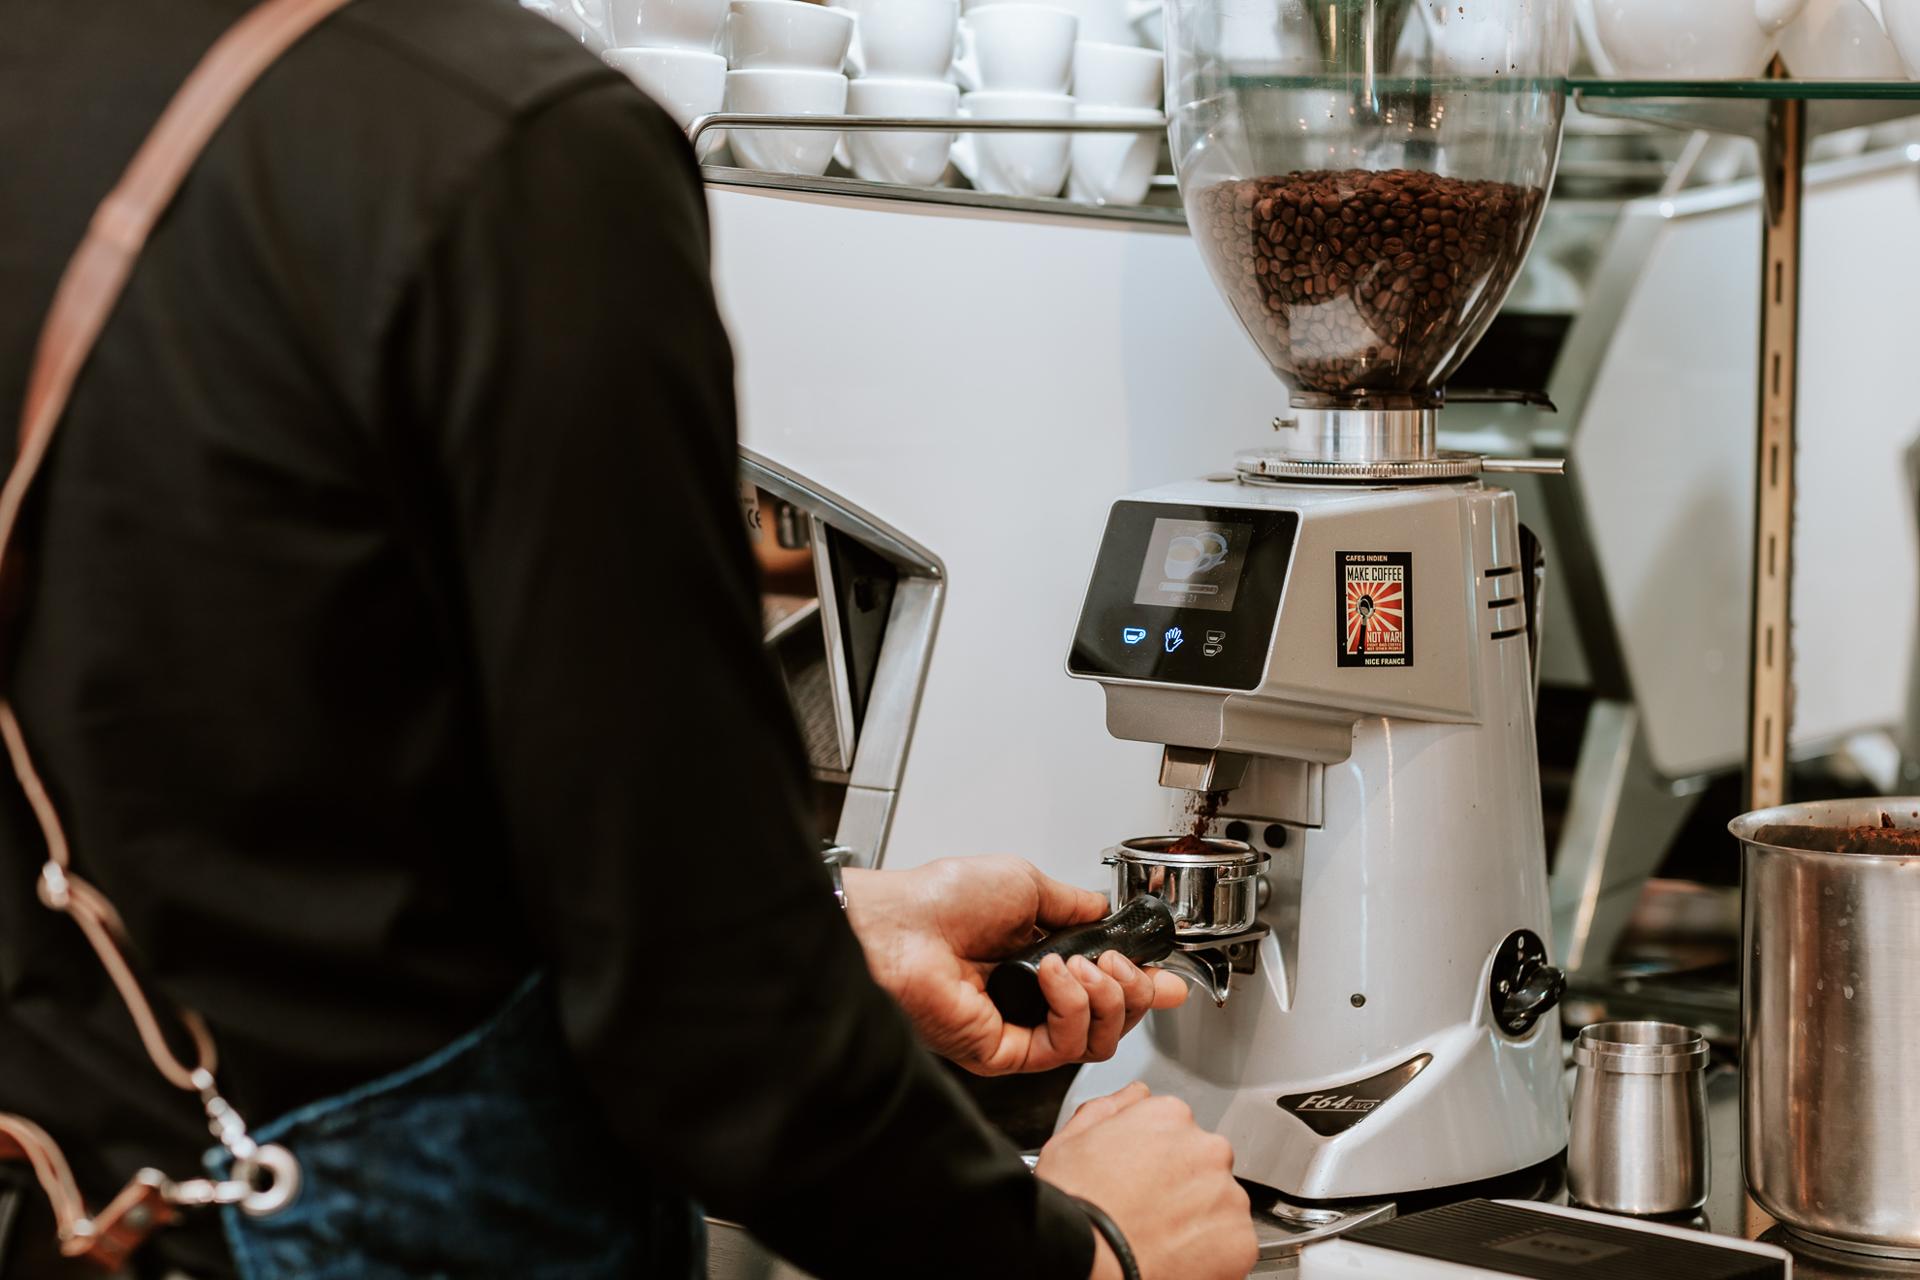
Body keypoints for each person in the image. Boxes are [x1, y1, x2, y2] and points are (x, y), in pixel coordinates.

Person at [0, 2, 1261, 1278]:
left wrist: (822, 922)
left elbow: (270, 785)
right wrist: (1086, 1254)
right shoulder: (516, 147)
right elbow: (712, 1028)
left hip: (85, 1207)